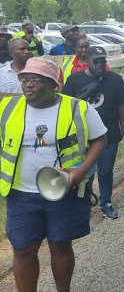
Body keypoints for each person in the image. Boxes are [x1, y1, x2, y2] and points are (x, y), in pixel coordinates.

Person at [1, 57, 107, 292]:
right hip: (20, 193)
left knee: (60, 245)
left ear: (54, 84)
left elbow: (99, 139)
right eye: (24, 80)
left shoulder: (77, 108)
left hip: (63, 191)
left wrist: (81, 171)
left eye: (36, 80)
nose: (28, 85)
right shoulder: (7, 109)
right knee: (23, 249)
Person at [62, 46, 124, 219]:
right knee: (85, 171)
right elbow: (65, 107)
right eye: (96, 61)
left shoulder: (114, 79)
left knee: (106, 170)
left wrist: (123, 126)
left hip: (109, 134)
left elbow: (122, 104)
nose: (100, 65)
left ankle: (106, 202)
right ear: (87, 62)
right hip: (81, 137)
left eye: (103, 61)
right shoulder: (74, 80)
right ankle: (85, 203)